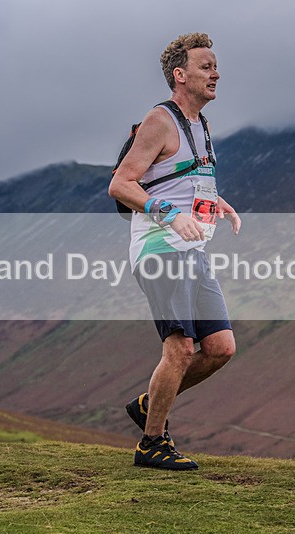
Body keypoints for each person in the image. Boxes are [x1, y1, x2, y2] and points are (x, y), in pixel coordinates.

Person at [108, 33, 241, 470]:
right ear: (179, 75)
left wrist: (215, 203)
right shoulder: (160, 120)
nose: (215, 73)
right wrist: (167, 213)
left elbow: (182, 179)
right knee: (181, 348)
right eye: (206, 66)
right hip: (160, 247)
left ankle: (151, 403)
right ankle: (152, 444)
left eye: (216, 65)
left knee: (220, 347)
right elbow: (121, 184)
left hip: (193, 249)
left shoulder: (200, 124)